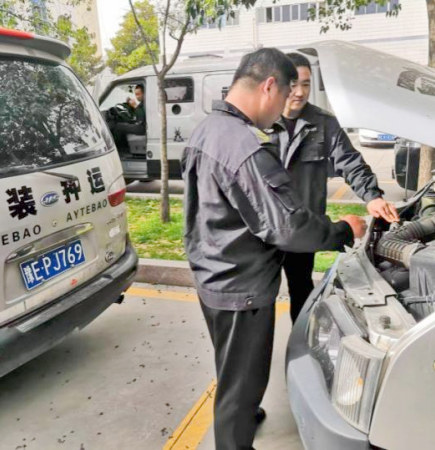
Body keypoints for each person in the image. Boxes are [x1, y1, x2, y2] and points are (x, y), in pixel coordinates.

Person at [182, 48, 367, 450]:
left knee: (232, 369)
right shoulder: (245, 146)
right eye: (285, 95)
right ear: (269, 86)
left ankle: (244, 412)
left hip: (213, 272)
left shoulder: (208, 129)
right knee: (242, 383)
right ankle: (236, 435)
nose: (285, 107)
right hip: (241, 287)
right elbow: (286, 227)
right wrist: (342, 230)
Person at [273, 52, 400, 323]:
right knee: (261, 300)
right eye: (294, 84)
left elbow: (350, 162)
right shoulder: (261, 121)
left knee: (302, 291)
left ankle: (299, 344)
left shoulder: (323, 122)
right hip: (267, 229)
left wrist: (372, 197)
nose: (300, 92)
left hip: (304, 227)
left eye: (306, 84)